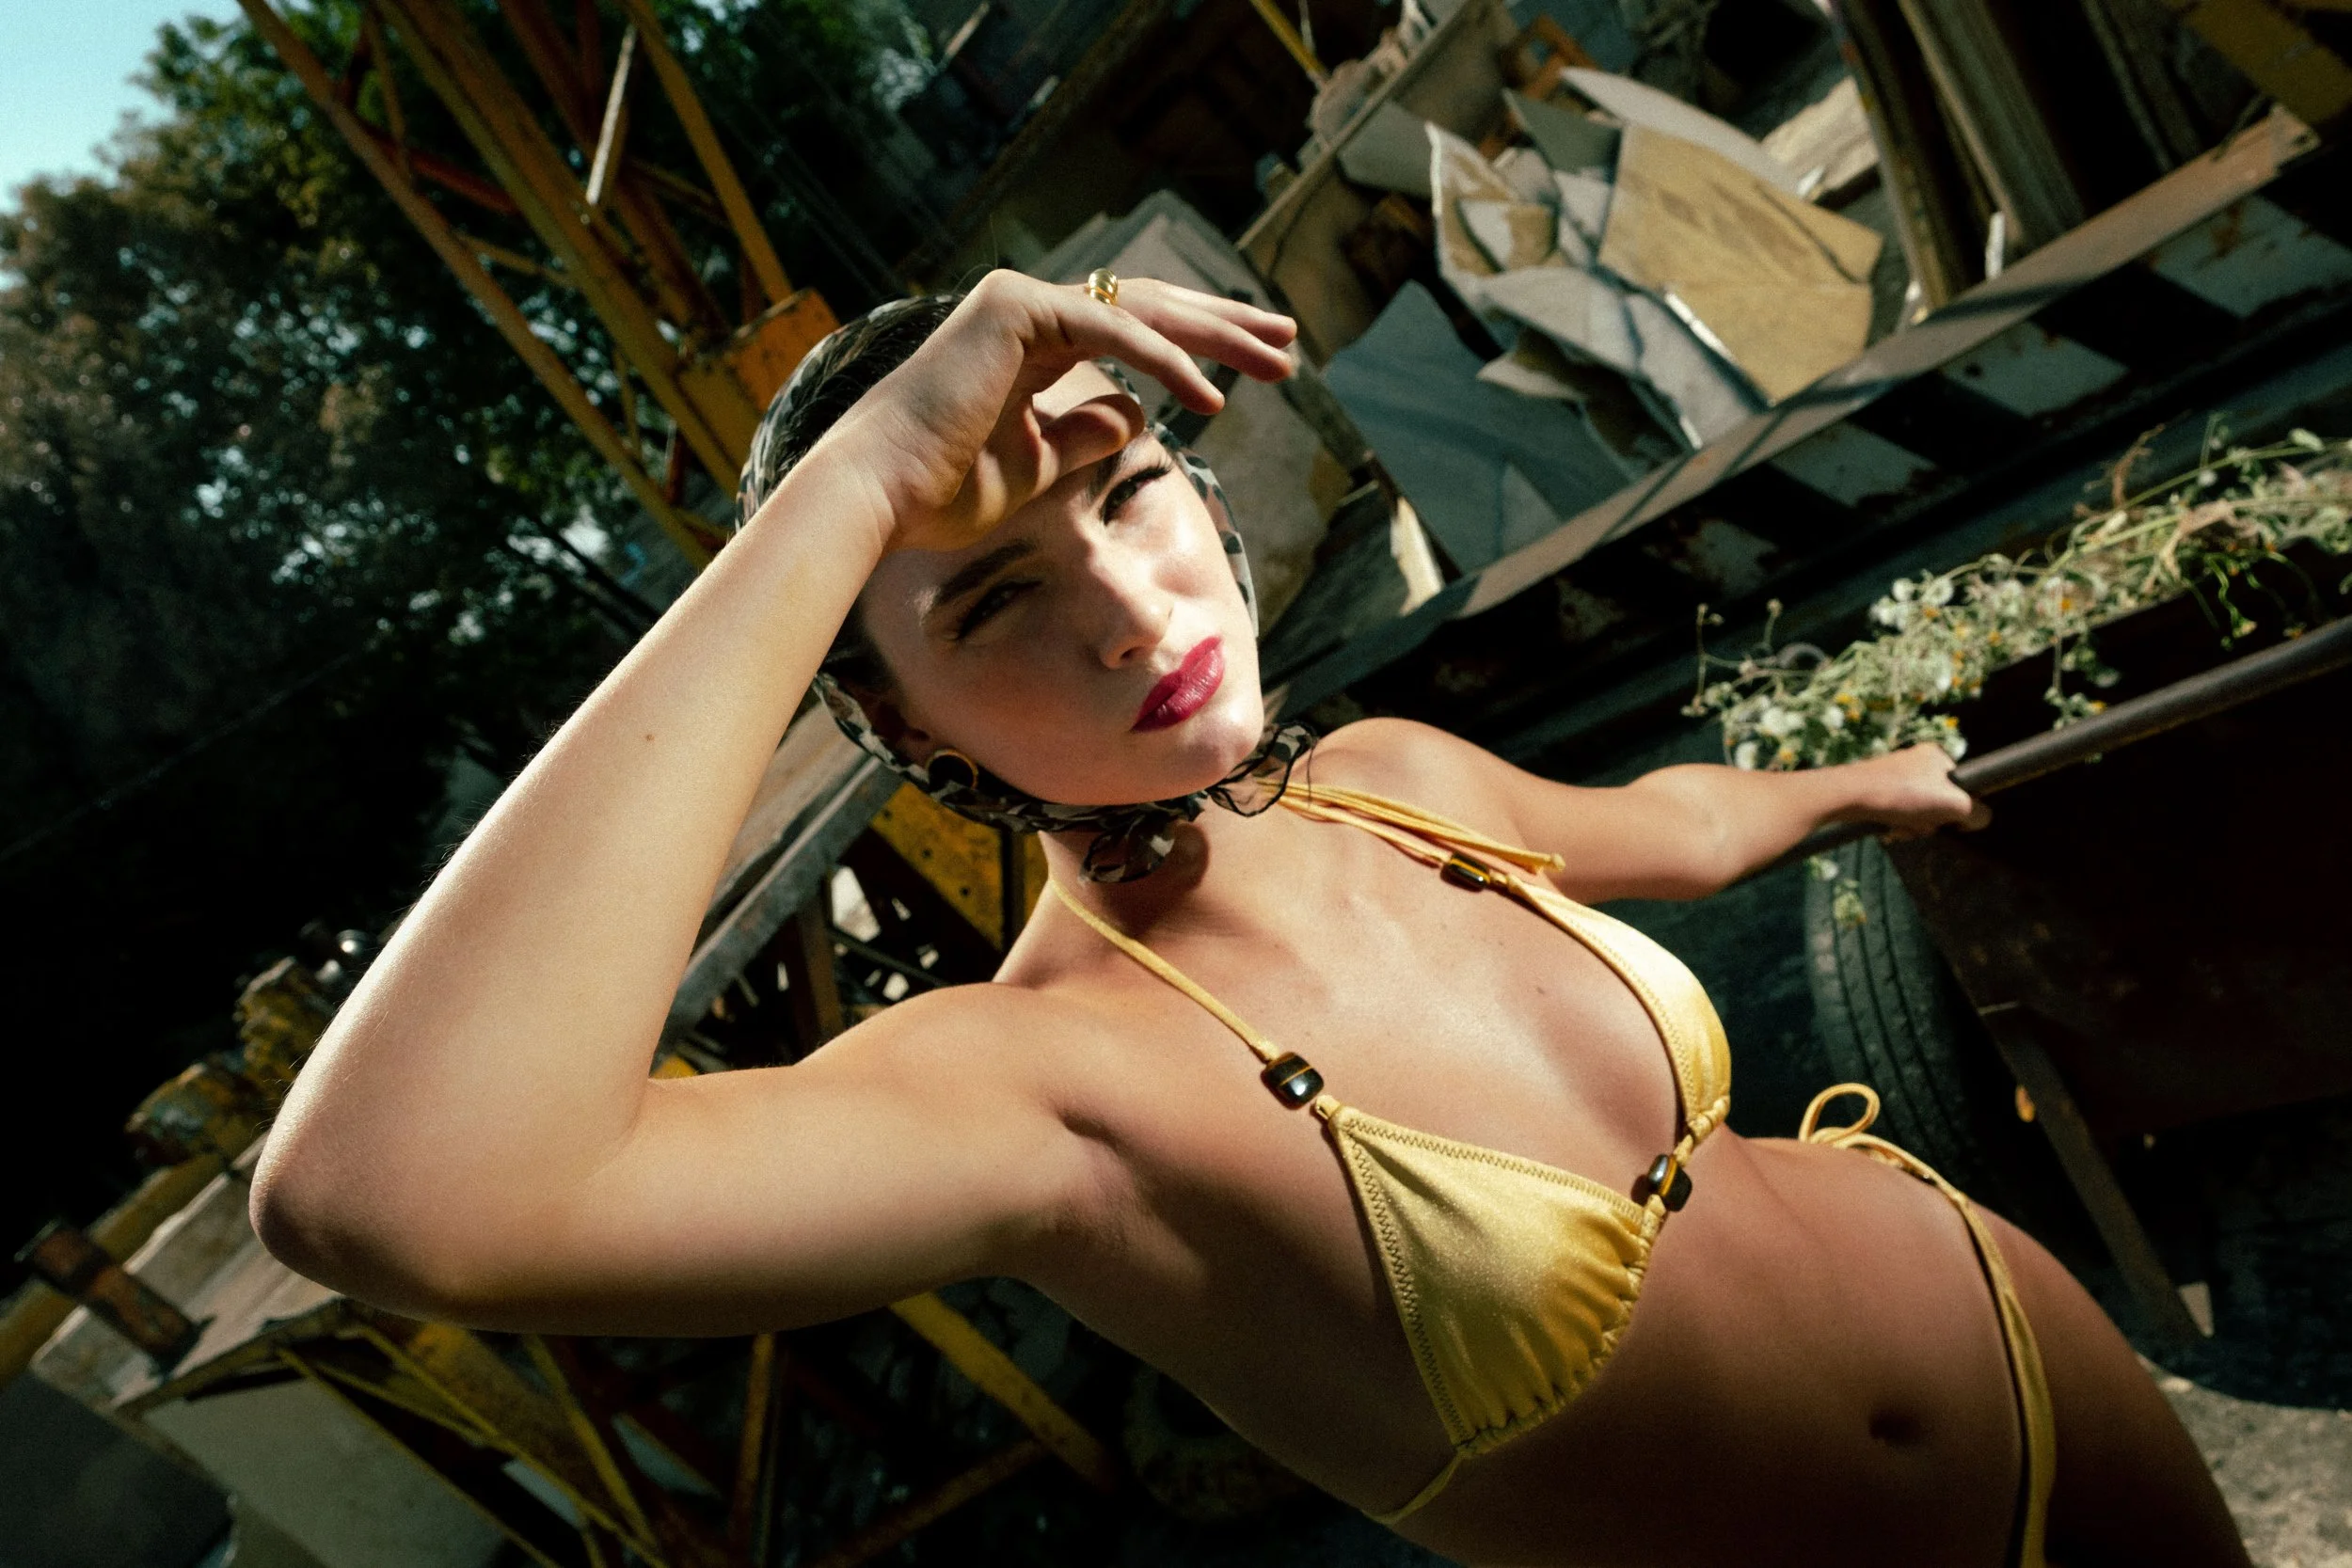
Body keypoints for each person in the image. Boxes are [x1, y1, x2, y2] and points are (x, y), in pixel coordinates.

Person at [251, 271, 2246, 1567]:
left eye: (1124, 493)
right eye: (995, 598)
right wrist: (848, 488)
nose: (1130, 611)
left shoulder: (1389, 772)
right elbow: (395, 1197)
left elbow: (1666, 824)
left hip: (2018, 1330)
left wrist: (1864, 784)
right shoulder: (1041, 1093)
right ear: (898, 721)